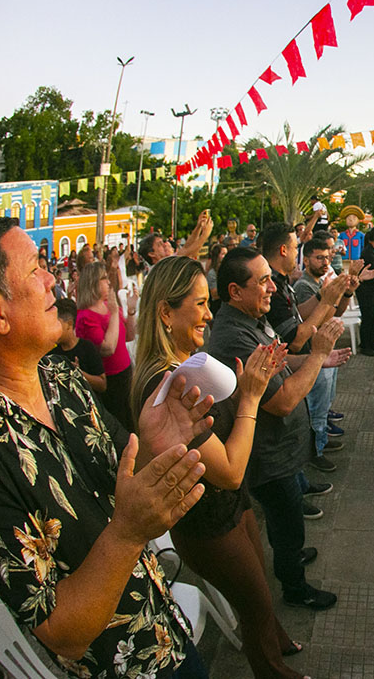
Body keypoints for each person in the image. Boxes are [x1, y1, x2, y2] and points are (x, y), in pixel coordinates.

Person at [0, 217, 217, 679]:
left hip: (164, 630)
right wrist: (129, 534)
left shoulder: (61, 376)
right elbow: (62, 631)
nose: (54, 279)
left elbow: (125, 483)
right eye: (36, 270)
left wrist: (155, 446)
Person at [130, 256, 309, 679]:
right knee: (255, 601)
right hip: (208, 520)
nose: (209, 315)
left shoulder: (182, 363)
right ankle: (273, 670)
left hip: (230, 505)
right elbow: (228, 469)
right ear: (165, 312)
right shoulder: (171, 381)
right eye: (200, 304)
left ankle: (277, 641)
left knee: (259, 590)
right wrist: (249, 398)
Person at [207, 246, 342, 610]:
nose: (272, 287)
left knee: (291, 518)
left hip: (282, 447)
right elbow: (281, 401)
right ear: (235, 291)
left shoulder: (251, 317)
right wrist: (316, 356)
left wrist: (314, 359)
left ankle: (291, 558)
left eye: (270, 277)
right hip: (268, 456)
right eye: (263, 280)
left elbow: (277, 363)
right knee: (286, 528)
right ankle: (294, 586)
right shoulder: (233, 336)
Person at [258, 224, 354, 477]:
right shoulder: (274, 285)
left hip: (294, 360)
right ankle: (298, 474)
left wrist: (330, 294)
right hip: (283, 364)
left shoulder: (279, 281)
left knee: (310, 414)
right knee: (294, 424)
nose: (296, 254)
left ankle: (301, 473)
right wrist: (327, 300)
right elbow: (295, 339)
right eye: (295, 248)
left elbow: (298, 315)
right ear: (283, 250)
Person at [76, 261, 138, 431]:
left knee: (131, 421)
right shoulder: (86, 316)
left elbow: (129, 335)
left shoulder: (108, 307)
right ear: (92, 283)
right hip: (110, 381)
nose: (109, 283)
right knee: (120, 425)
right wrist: (114, 314)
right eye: (104, 279)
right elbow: (107, 348)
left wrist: (131, 311)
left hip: (125, 373)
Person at [49, 298, 106, 394]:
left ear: (69, 324)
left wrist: (79, 373)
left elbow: (102, 385)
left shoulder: (87, 348)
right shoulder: (52, 353)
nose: (53, 329)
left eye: (57, 324)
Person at [356, 226, 374, 356]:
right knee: (368, 317)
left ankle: (372, 340)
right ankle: (365, 345)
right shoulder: (368, 252)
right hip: (366, 290)